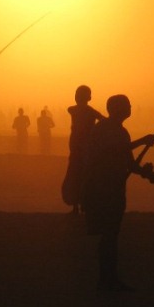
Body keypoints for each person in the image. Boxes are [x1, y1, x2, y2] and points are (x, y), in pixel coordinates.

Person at [84, 94, 154, 291]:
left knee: (112, 233)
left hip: (116, 187)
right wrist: (143, 141)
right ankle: (105, 279)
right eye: (127, 105)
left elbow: (129, 163)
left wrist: (146, 174)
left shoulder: (122, 132)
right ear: (116, 108)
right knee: (108, 234)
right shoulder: (103, 129)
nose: (130, 107)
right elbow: (111, 151)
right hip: (102, 187)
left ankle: (110, 278)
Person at [61, 85, 105, 213]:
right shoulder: (87, 111)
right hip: (78, 148)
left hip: (84, 148)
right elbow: (102, 120)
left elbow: (102, 120)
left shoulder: (77, 110)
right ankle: (78, 205)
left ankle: (80, 205)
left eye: (79, 95)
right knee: (78, 175)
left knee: (80, 175)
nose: (77, 97)